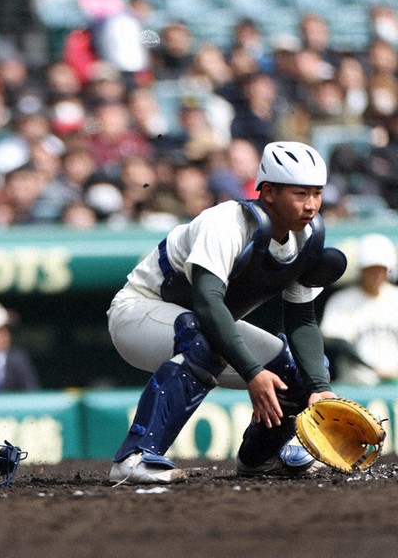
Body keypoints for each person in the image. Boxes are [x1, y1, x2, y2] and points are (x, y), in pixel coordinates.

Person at [106, 141, 346, 484]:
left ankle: (259, 459)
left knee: (300, 370)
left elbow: (302, 320)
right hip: (137, 314)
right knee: (202, 339)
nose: (311, 205)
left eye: (317, 193)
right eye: (300, 194)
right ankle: (134, 457)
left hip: (201, 325)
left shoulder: (306, 237)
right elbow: (207, 303)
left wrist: (319, 387)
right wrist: (252, 372)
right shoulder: (226, 222)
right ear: (269, 192)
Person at [320, 233, 398, 385]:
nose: (376, 275)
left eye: (381, 269)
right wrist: (373, 368)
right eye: (370, 269)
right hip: (357, 385)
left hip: (395, 385)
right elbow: (337, 342)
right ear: (361, 270)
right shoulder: (342, 300)